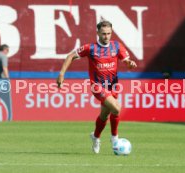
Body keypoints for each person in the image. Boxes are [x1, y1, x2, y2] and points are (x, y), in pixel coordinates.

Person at [56, 20, 137, 154]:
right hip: (97, 86)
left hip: (113, 86)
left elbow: (126, 61)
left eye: (109, 33)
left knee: (104, 115)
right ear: (98, 33)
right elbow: (70, 56)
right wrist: (61, 74)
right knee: (116, 108)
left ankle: (95, 136)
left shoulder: (116, 46)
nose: (106, 36)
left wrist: (130, 64)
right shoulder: (90, 48)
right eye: (104, 33)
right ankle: (114, 139)